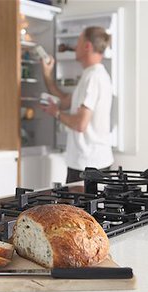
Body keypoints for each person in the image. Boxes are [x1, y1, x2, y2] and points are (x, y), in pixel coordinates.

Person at [40, 26, 114, 183]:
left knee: (77, 208)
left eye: (78, 41)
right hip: (90, 163)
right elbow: (66, 101)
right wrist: (47, 75)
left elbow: (80, 124)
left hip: (88, 165)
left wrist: (57, 113)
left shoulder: (93, 77)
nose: (75, 46)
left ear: (87, 46)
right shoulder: (91, 75)